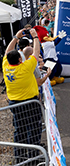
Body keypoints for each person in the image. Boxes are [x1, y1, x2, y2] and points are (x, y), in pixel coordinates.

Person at [3, 28, 44, 162]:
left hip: (14, 103)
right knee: (33, 129)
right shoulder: (26, 67)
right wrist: (35, 37)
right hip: (30, 103)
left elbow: (7, 52)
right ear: (20, 59)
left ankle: (19, 159)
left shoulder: (6, 66)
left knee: (19, 131)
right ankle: (34, 158)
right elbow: (36, 53)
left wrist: (15, 37)